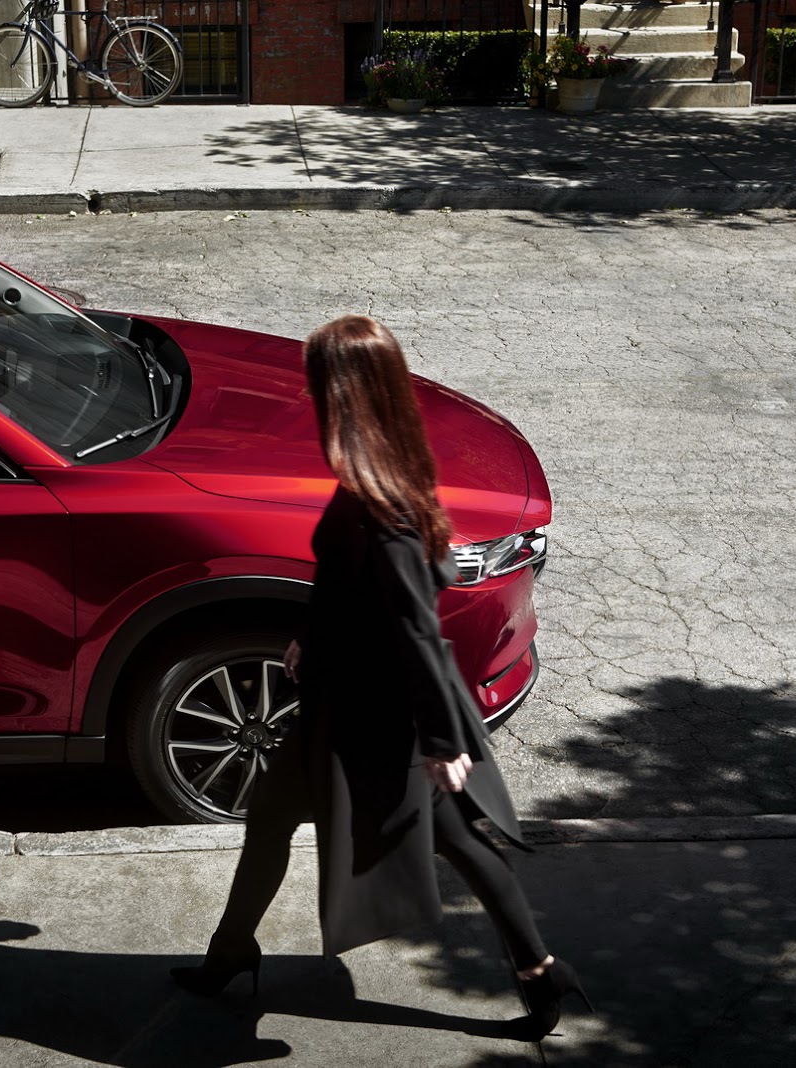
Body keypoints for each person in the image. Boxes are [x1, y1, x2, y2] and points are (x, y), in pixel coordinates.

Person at [171, 315, 591, 1041]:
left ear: (345, 394)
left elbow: (415, 627)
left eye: (318, 383)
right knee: (275, 818)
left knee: (456, 836)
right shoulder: (382, 469)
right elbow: (349, 584)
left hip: (379, 717)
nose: (309, 395)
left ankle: (539, 969)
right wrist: (311, 635)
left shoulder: (381, 508)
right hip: (342, 700)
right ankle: (230, 951)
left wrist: (440, 741)